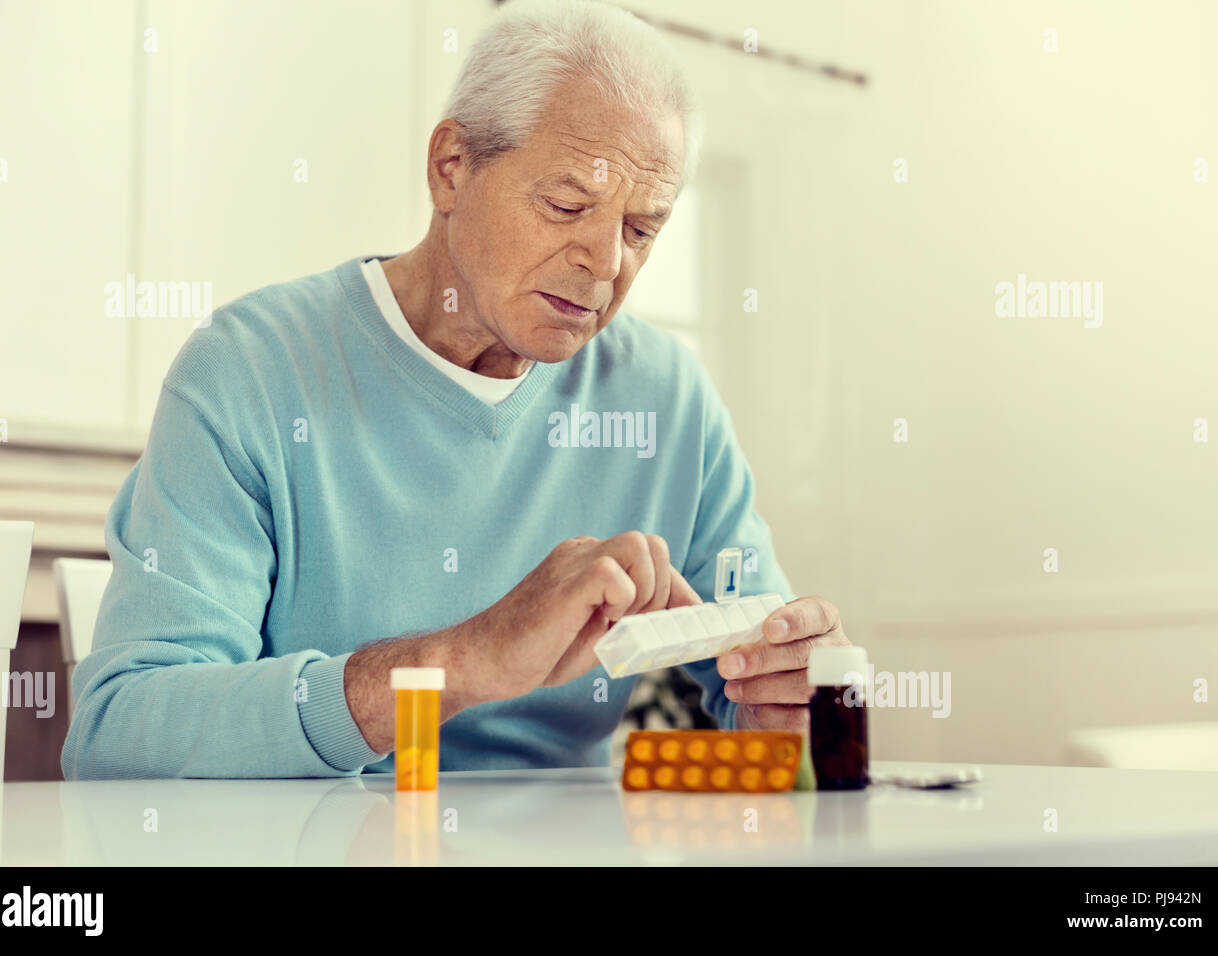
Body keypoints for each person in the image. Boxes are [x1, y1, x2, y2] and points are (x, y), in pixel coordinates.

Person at [62, 0, 847, 780]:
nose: (606, 263)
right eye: (567, 205)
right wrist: (459, 662)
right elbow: (121, 734)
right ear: (452, 167)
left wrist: (780, 700)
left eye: (641, 230)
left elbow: (759, 673)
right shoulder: (249, 371)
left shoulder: (667, 400)